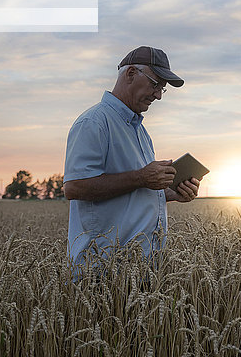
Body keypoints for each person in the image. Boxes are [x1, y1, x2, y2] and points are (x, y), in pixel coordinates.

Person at [63, 46, 201, 270]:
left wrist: (170, 192)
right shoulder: (93, 123)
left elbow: (134, 190)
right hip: (102, 271)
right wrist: (141, 177)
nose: (158, 95)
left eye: (162, 90)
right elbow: (75, 188)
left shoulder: (140, 130)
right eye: (155, 84)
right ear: (130, 74)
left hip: (141, 270)